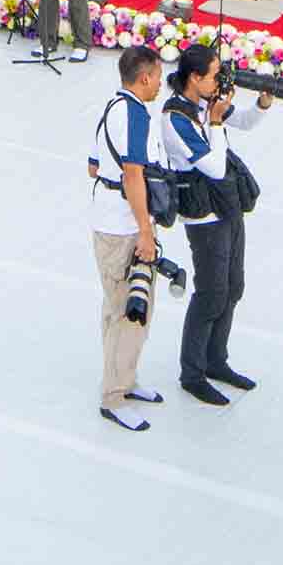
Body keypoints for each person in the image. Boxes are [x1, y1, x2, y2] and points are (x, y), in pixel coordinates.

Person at [165, 43, 255, 407]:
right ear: (194, 77)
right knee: (211, 294)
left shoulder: (207, 101)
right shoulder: (174, 119)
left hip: (228, 207)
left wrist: (263, 103)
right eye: (215, 75)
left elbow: (245, 122)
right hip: (204, 217)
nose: (220, 80)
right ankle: (192, 374)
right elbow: (215, 168)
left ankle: (216, 360)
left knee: (233, 287)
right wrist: (215, 121)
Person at [90, 42, 171, 431]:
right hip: (123, 227)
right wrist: (145, 230)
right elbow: (133, 175)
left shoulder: (112, 108)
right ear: (144, 78)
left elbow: (94, 167)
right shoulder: (136, 116)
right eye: (157, 77)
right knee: (130, 310)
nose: (160, 84)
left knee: (119, 307)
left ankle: (124, 376)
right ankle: (114, 396)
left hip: (107, 219)